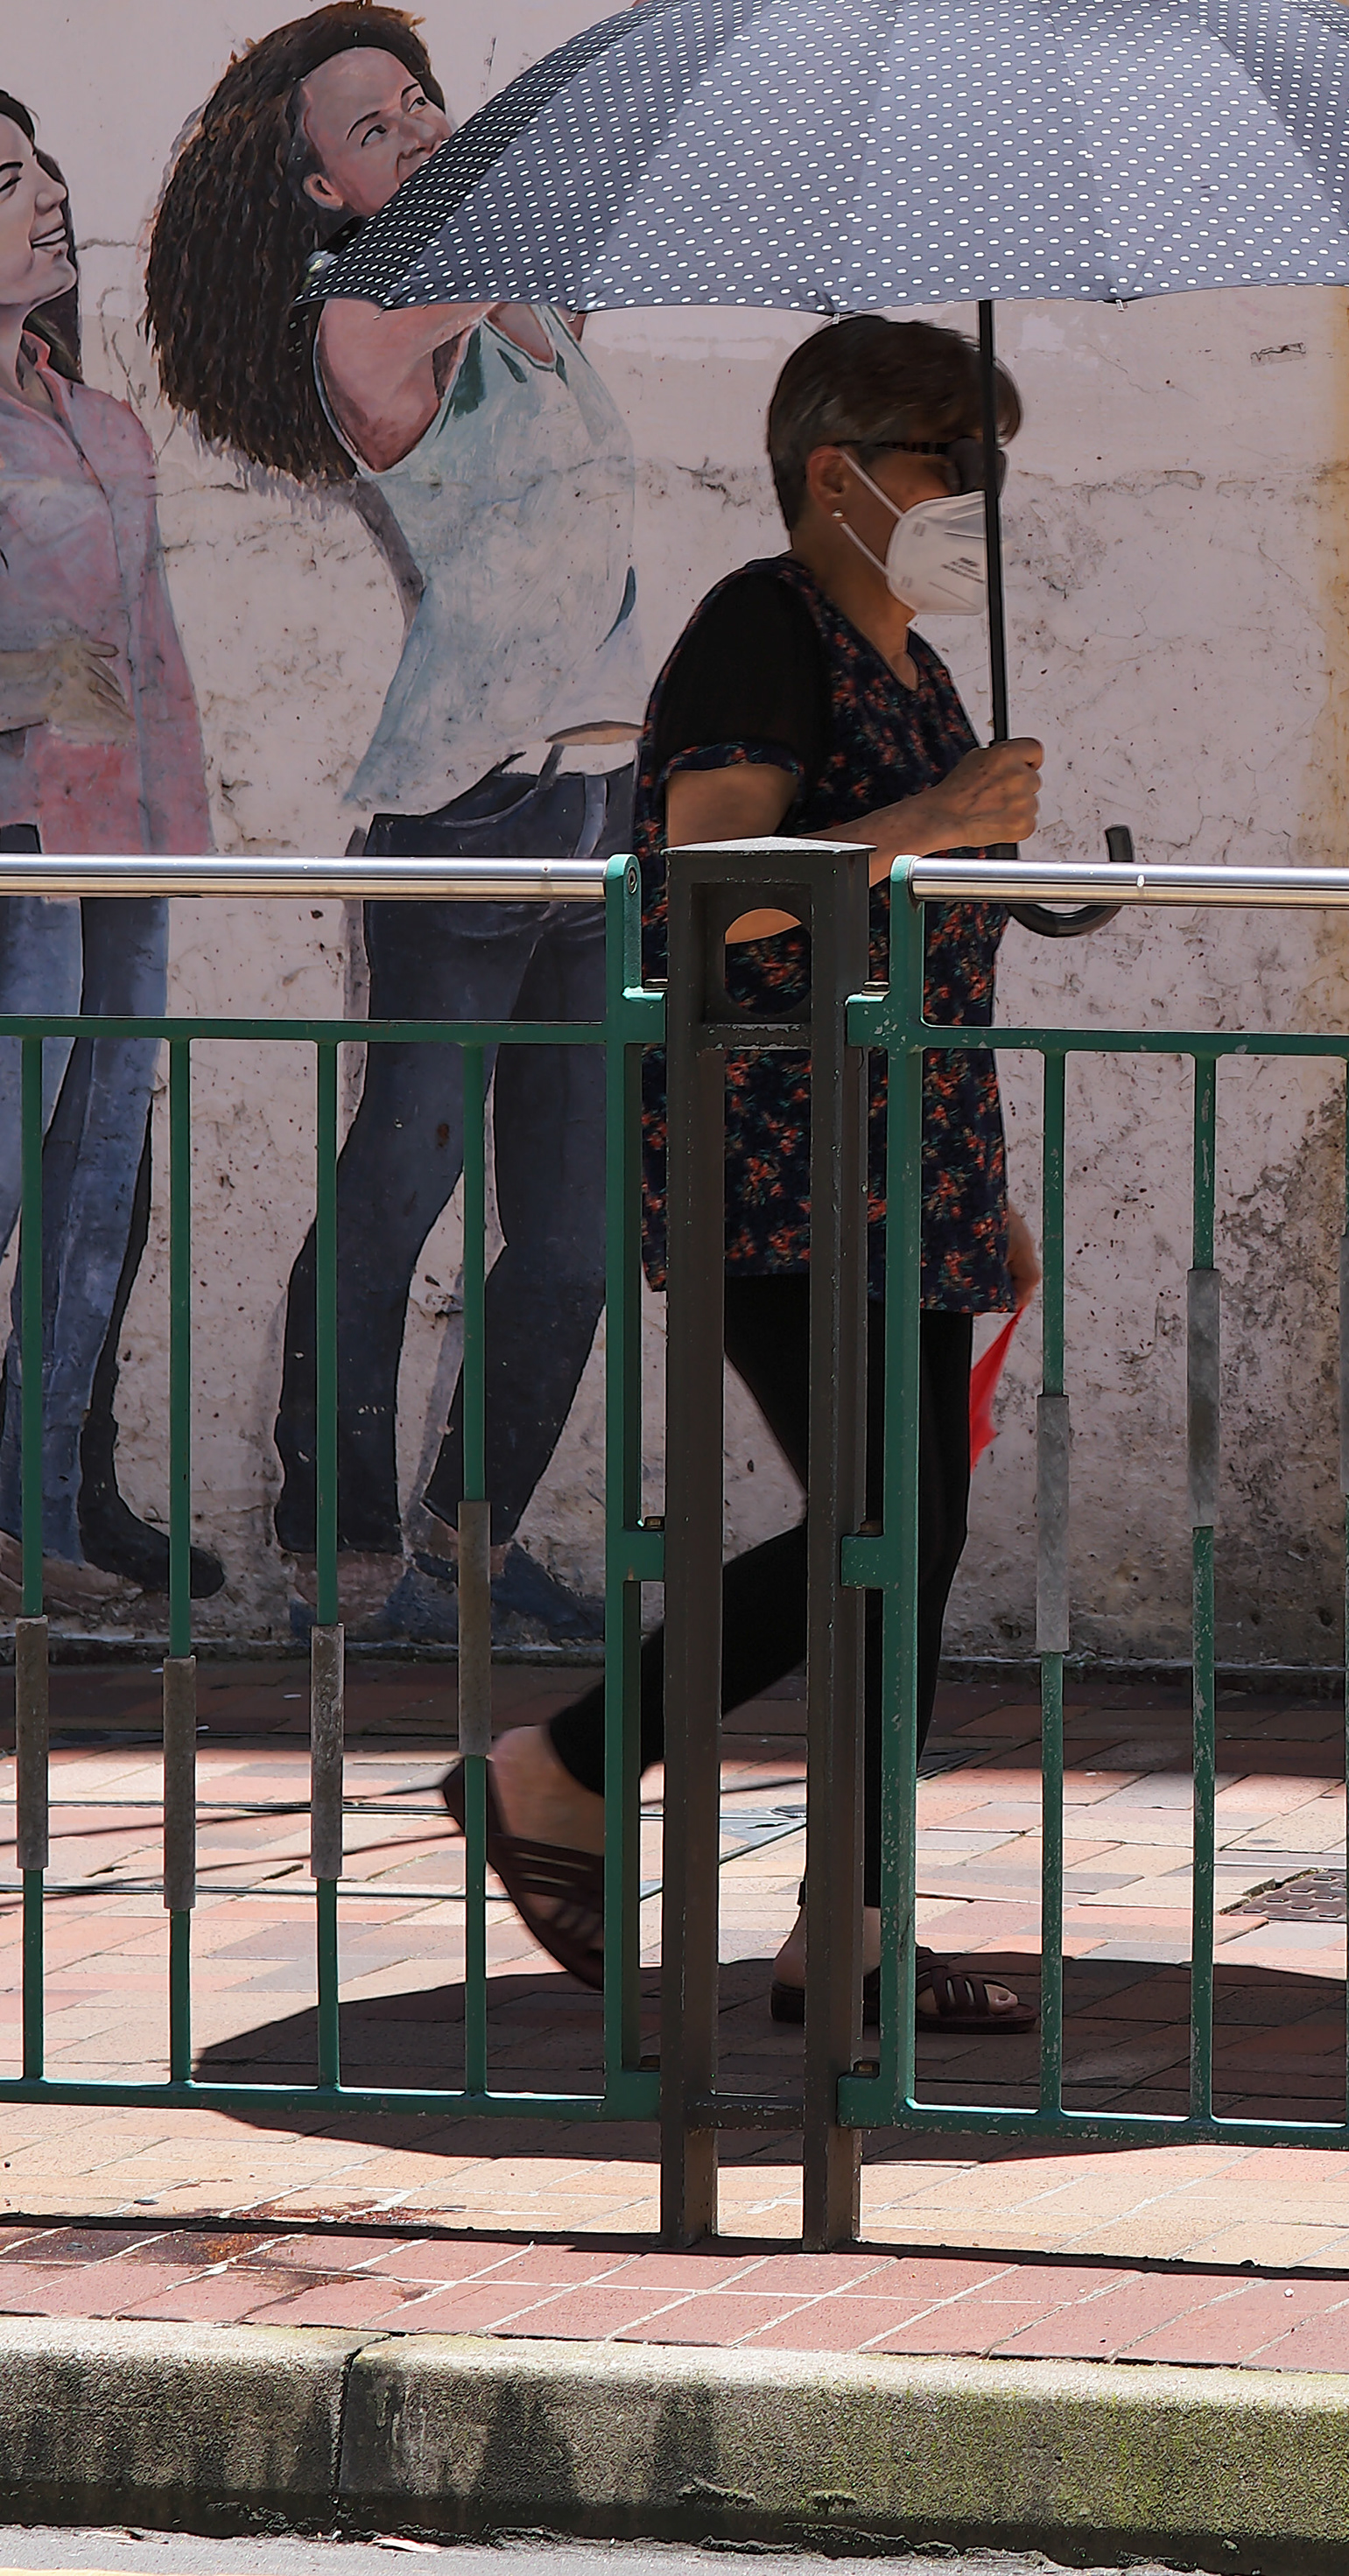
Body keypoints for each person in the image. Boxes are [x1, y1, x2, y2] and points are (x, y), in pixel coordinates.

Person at [140, 0, 831, 1640]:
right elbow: (577, 134)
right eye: (378, 127)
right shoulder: (366, 319)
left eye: (423, 99)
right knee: (404, 1179)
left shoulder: (533, 299)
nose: (423, 128)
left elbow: (642, 113)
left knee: (580, 1222)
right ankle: (339, 1535)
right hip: (456, 811)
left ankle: (470, 1541)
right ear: (323, 191)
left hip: (596, 805)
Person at [454, 315, 1043, 2032]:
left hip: (905, 1159)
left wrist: (975, 1178)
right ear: (835, 473)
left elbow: (910, 939)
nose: (976, 499)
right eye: (951, 461)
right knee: (883, 1517)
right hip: (774, 1158)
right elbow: (711, 882)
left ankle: (849, 1924)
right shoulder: (755, 628)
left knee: (905, 1535)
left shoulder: (915, 667)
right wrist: (931, 819)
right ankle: (560, 1765)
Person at [0, 89, 212, 1619]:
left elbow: (151, 648)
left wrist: (185, 842)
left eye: (43, 169)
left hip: (122, 844)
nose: (50, 196)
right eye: (9, 181)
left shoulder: (98, 417)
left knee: (94, 1199)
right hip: (13, 846)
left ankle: (40, 1513)